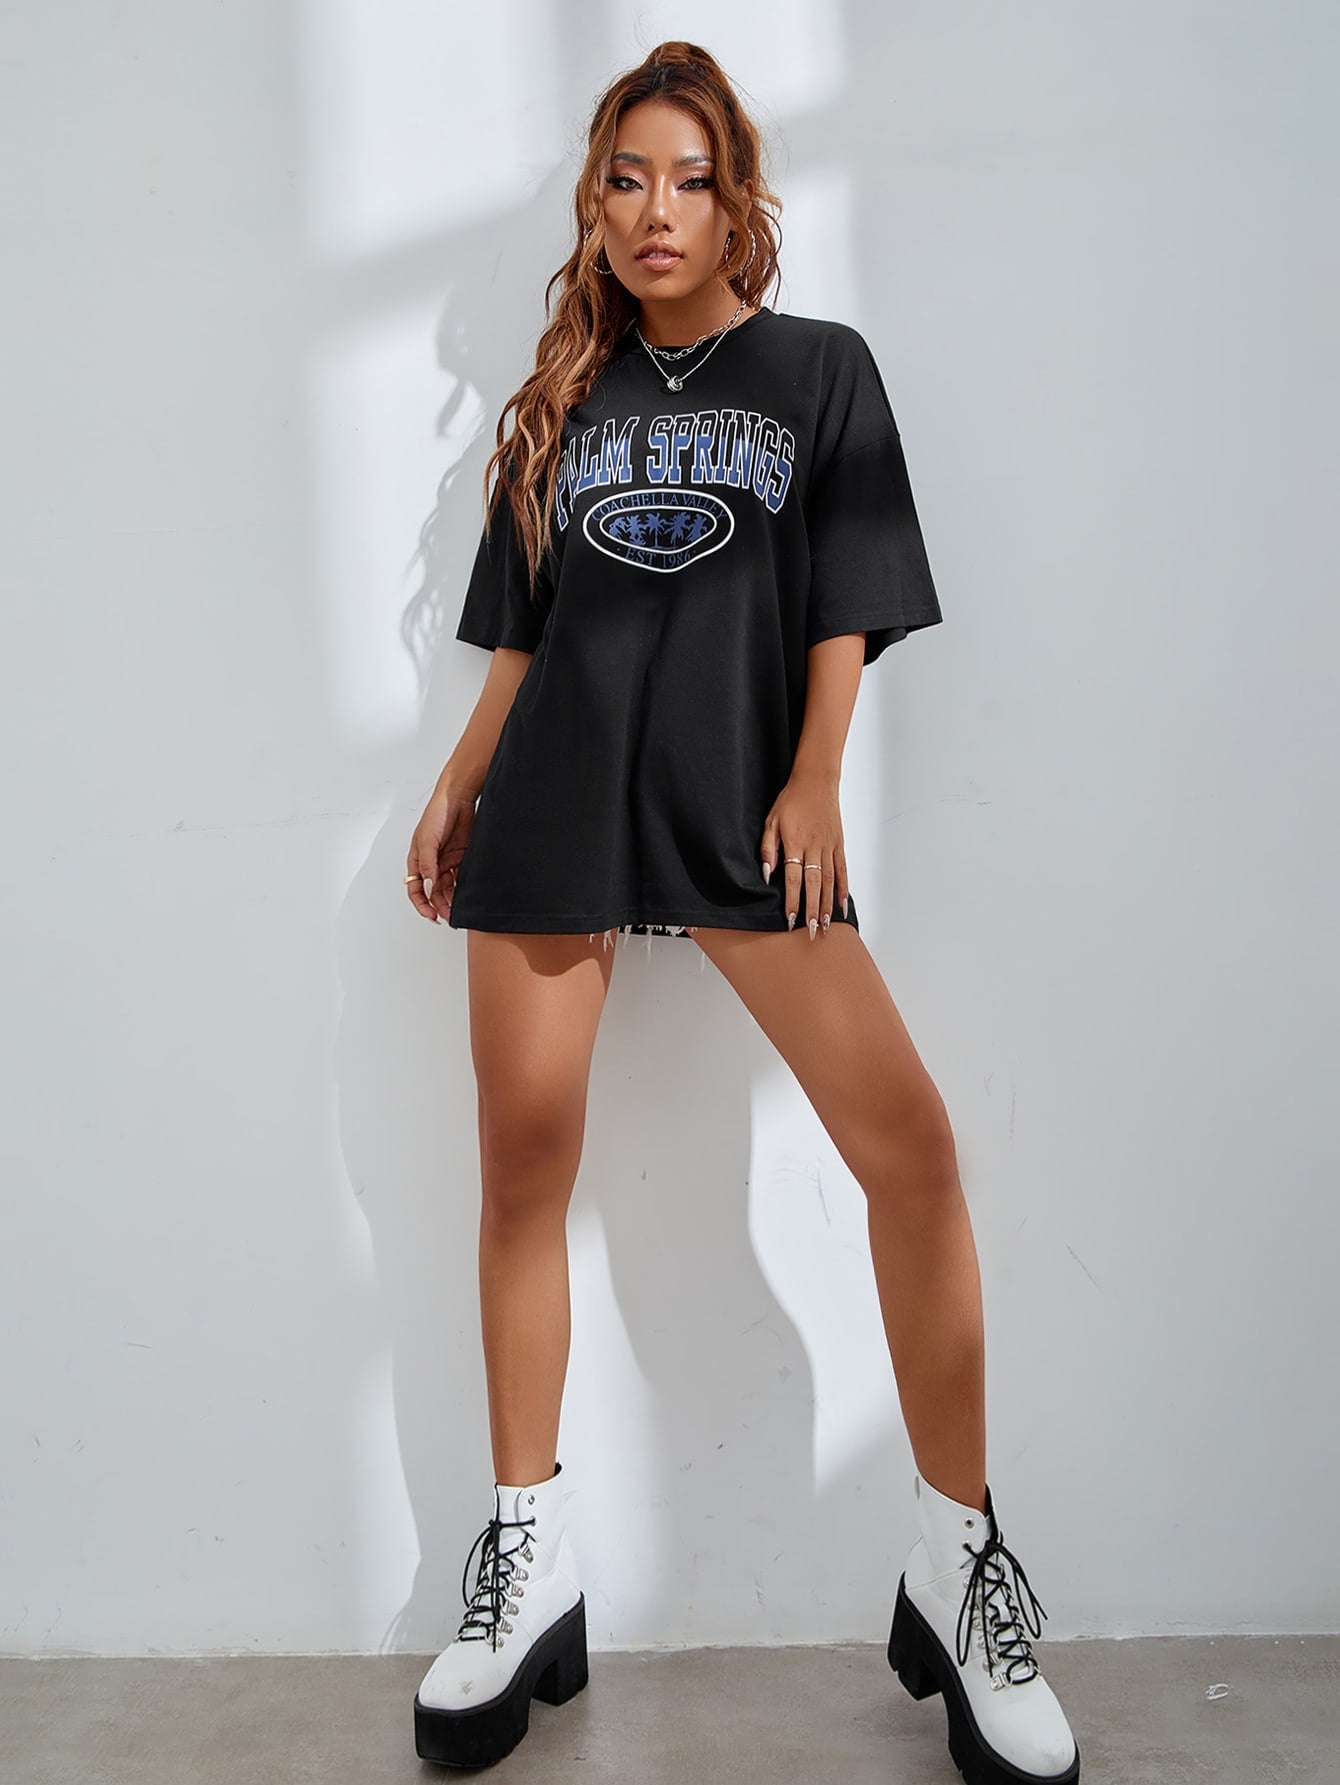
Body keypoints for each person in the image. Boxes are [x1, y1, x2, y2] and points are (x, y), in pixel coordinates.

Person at [405, 40, 1080, 1784]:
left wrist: (816, 774)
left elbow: (845, 598)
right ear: (595, 202)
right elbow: (523, 641)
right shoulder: (559, 405)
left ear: (736, 201)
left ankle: (959, 1559)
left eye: (690, 179)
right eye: (626, 178)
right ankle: (528, 1558)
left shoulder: (818, 370)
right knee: (521, 1176)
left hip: (739, 808)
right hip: (555, 803)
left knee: (911, 1151)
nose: (657, 210)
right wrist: (461, 782)